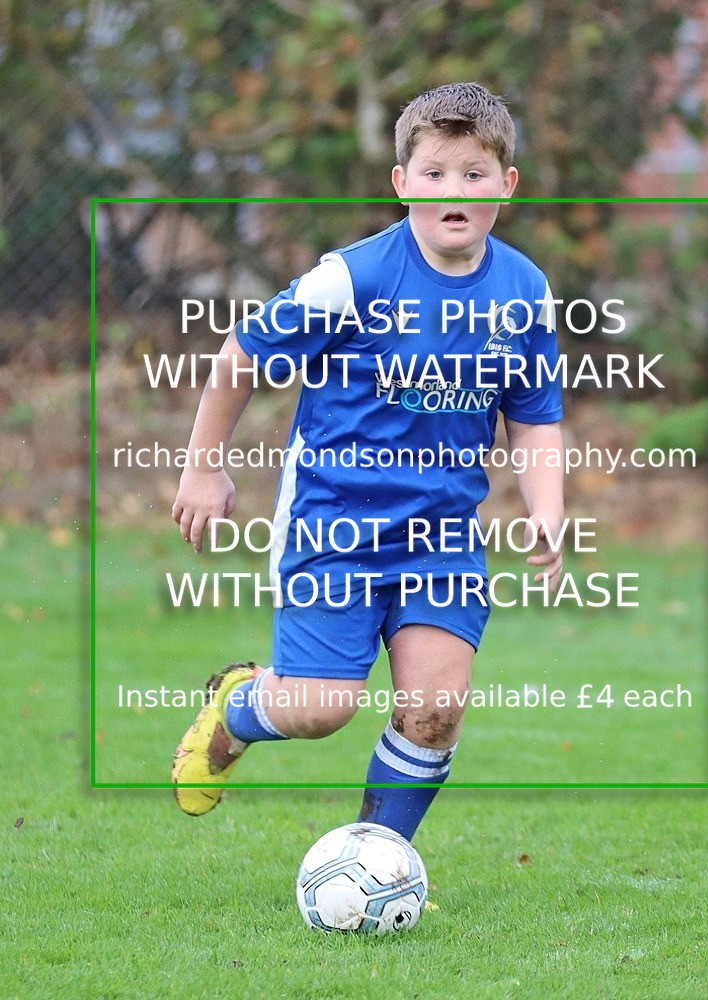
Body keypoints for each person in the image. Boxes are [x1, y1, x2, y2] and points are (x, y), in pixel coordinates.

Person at [171, 82, 564, 839]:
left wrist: (546, 509)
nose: (455, 190)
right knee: (321, 709)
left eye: (474, 174)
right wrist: (202, 466)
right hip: (336, 524)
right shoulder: (350, 280)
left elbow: (534, 415)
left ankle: (378, 859)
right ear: (401, 184)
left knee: (435, 711)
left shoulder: (525, 290)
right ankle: (240, 707)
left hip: (443, 537)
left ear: (506, 186)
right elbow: (243, 356)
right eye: (435, 173)